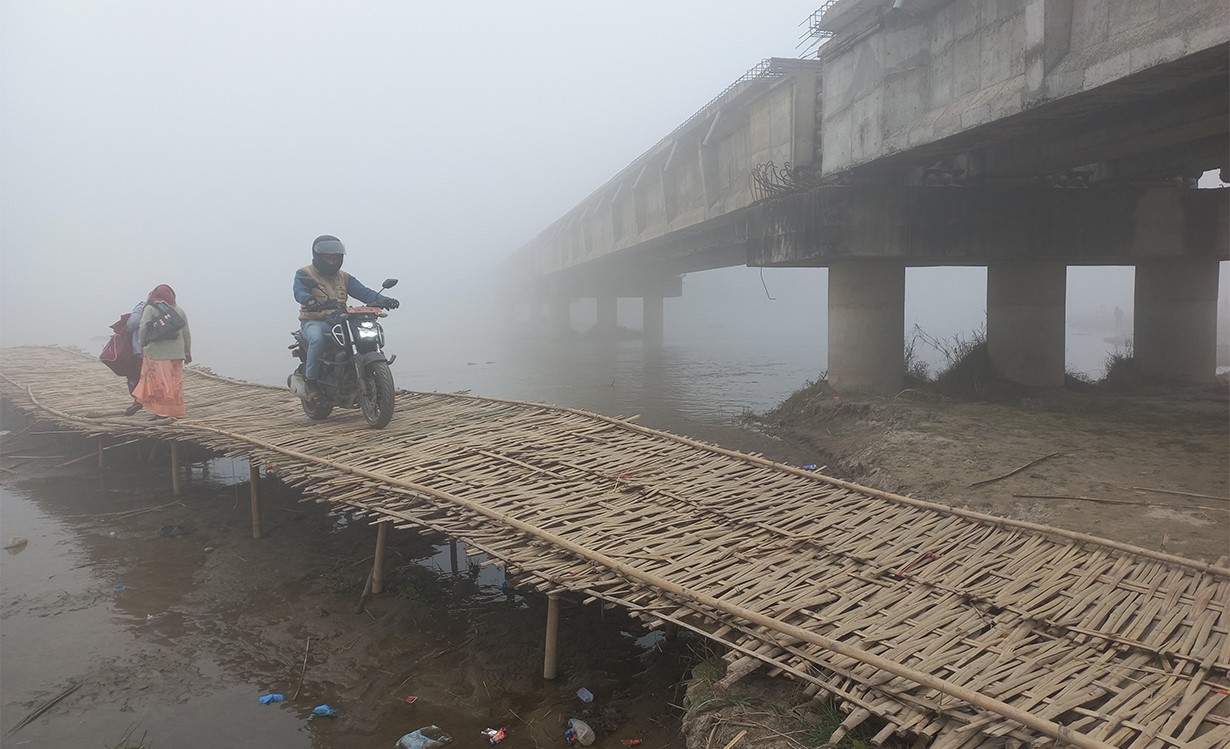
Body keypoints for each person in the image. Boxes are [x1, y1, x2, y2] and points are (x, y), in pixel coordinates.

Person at [293, 235, 399, 397]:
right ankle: (311, 382)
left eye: (335, 258)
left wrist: (383, 300)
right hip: (314, 320)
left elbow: (363, 292)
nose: (332, 262)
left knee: (363, 338)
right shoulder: (305, 274)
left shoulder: (344, 277)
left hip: (340, 318)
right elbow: (299, 291)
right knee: (318, 339)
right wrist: (308, 299)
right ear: (318, 257)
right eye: (328, 258)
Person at [131, 284, 192, 419]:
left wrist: (142, 343)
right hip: (176, 355)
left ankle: (161, 413)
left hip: (156, 354)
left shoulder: (151, 309)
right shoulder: (179, 311)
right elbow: (186, 334)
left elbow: (143, 328)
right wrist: (187, 352)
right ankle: (175, 412)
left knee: (159, 384)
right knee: (175, 384)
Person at [122, 299, 147, 415]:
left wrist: (126, 328)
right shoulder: (168, 308)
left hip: (140, 349)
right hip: (159, 351)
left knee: (136, 375)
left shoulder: (143, 306)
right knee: (154, 377)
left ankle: (138, 399)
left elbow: (132, 323)